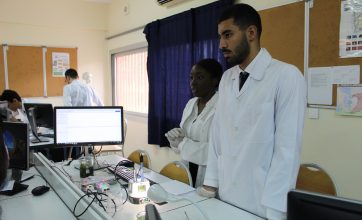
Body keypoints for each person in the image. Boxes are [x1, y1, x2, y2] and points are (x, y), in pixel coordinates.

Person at [198, 4, 306, 220]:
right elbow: (218, 135)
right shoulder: (228, 78)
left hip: (262, 204)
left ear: (251, 33)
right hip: (226, 197)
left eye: (228, 35)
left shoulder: (287, 76)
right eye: (220, 36)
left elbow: (287, 152)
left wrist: (275, 213)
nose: (221, 44)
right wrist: (211, 182)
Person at [165, 58, 223, 188]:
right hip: (188, 170)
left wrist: (183, 143)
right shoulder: (191, 103)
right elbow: (183, 138)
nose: (193, 83)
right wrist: (175, 138)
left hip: (210, 177)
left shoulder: (223, 107)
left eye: (200, 77)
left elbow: (216, 152)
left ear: (215, 80)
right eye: (191, 77)